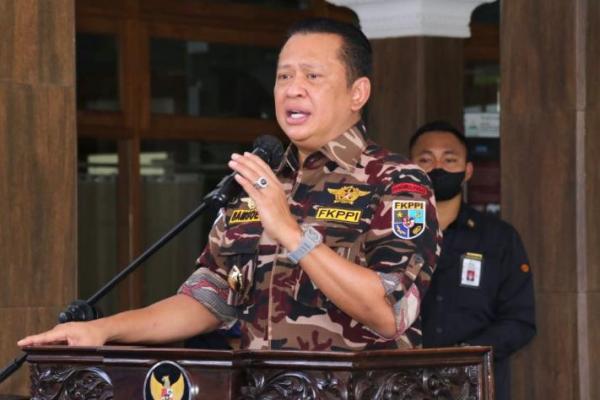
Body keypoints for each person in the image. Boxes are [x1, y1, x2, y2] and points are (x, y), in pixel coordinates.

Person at [19, 18, 440, 352]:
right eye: (283, 77)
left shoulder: (397, 182)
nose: (293, 89)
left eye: (312, 76)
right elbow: (210, 299)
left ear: (357, 93)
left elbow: (390, 313)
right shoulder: (257, 182)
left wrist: (292, 233)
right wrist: (104, 330)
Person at [409, 121, 536, 400]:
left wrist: (465, 357)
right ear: (409, 169)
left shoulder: (498, 238)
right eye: (426, 160)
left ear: (467, 171)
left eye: (449, 159)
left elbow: (520, 321)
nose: (438, 168)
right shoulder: (390, 234)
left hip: (474, 386)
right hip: (401, 384)